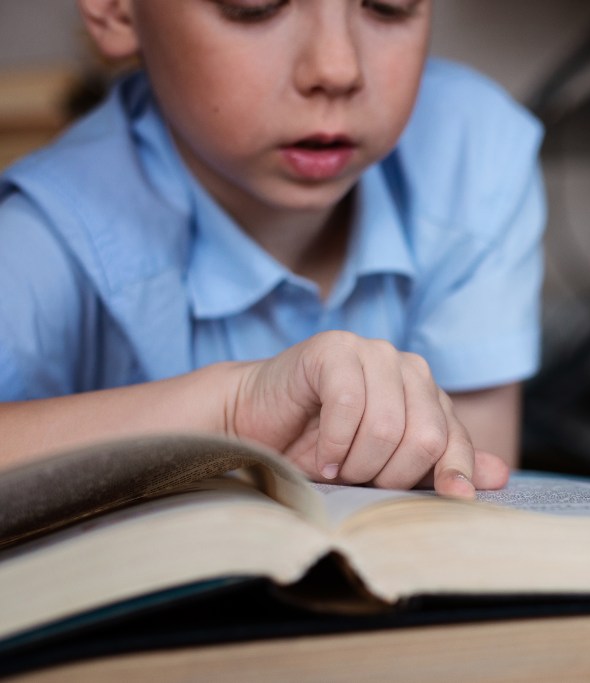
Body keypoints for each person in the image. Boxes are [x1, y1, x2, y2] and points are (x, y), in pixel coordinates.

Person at [0, 0, 546, 499]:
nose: (337, 69)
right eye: (254, 8)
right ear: (117, 11)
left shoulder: (472, 152)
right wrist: (230, 413)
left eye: (388, 5)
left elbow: (474, 492)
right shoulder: (40, 237)